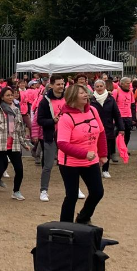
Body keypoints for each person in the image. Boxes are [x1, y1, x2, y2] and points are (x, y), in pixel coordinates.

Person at [56, 83, 107, 224]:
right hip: (70, 163)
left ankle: (83, 218)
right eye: (81, 93)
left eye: (85, 92)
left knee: (97, 192)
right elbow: (62, 144)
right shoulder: (66, 118)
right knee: (71, 196)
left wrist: (103, 153)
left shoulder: (93, 111)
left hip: (91, 160)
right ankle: (65, 227)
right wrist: (83, 153)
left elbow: (101, 132)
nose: (86, 94)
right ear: (72, 97)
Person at [0, 88, 30, 202]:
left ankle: (16, 191)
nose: (10, 97)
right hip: (0, 145)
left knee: (19, 169)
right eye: (8, 95)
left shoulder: (17, 111)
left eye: (12, 95)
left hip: (14, 145)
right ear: (2, 97)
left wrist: (24, 144)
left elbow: (20, 130)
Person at [36, 75, 67, 202]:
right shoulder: (44, 101)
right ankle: (44, 190)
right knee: (48, 165)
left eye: (62, 84)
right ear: (52, 85)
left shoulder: (68, 99)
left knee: (69, 165)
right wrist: (52, 121)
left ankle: (74, 188)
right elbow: (40, 120)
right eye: (58, 84)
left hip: (67, 137)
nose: (61, 86)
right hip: (51, 136)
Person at [91, 79, 122, 178]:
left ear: (105, 87)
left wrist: (121, 127)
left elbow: (116, 114)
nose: (99, 88)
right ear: (94, 88)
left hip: (108, 128)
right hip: (94, 129)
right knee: (94, 150)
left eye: (101, 86)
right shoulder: (91, 99)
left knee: (107, 150)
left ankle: (105, 169)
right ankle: (95, 169)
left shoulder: (110, 99)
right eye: (97, 86)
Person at [113, 77, 135, 148]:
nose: (129, 85)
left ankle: (124, 148)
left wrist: (133, 118)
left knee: (127, 133)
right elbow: (112, 105)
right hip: (119, 116)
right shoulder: (116, 92)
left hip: (128, 116)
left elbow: (133, 105)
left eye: (130, 83)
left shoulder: (131, 92)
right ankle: (112, 148)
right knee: (118, 132)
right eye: (127, 83)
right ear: (122, 84)